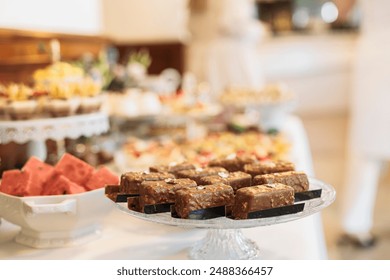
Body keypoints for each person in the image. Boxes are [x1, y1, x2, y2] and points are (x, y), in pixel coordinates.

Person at [337, 0, 390, 247]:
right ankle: (354, 224)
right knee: (368, 141)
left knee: (366, 143)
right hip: (376, 57)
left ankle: (355, 224)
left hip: (375, 53)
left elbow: (342, 11)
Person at [187, 0, 267, 99]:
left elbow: (190, 26)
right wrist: (260, 29)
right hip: (227, 61)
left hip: (201, 57)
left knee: (207, 105)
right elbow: (233, 24)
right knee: (239, 104)